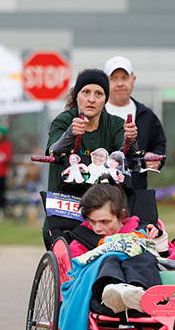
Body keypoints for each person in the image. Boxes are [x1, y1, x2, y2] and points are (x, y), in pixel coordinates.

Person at [58, 184, 164, 330]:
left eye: (105, 222)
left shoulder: (141, 231)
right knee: (110, 260)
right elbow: (75, 266)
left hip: (140, 282)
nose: (98, 228)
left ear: (121, 216)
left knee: (143, 258)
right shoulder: (81, 239)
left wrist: (158, 240)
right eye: (92, 221)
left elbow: (165, 257)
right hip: (99, 287)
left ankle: (136, 293)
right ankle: (116, 290)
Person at [43, 68, 137, 248]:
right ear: (77, 96)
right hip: (67, 209)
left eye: (99, 94)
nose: (92, 99)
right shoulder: (63, 120)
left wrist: (131, 139)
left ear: (105, 99)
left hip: (105, 213)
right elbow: (53, 150)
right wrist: (70, 133)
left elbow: (124, 155)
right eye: (86, 92)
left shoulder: (115, 124)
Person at [104, 56, 167, 190]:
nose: (120, 84)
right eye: (113, 78)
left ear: (133, 80)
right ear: (105, 83)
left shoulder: (146, 115)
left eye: (125, 78)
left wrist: (154, 158)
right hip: (102, 193)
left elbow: (159, 144)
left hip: (136, 192)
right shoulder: (97, 115)